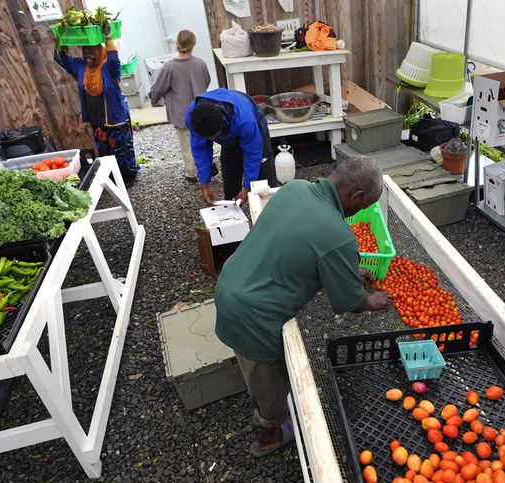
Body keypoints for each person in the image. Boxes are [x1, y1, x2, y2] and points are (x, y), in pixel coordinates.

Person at [214, 157, 393, 456]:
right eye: (361, 208)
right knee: (270, 380)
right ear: (357, 197)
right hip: (253, 316)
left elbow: (297, 245)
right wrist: (372, 301)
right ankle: (268, 435)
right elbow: (350, 302)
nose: (357, 213)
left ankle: (257, 393)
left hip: (231, 283)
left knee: (251, 364)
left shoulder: (294, 189)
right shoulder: (339, 236)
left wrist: (346, 269)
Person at [54, 23, 139, 185]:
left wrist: (108, 37)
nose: (88, 55)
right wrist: (60, 38)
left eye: (91, 51)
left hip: (116, 118)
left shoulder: (109, 67)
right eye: (85, 51)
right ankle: (112, 178)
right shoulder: (80, 67)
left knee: (122, 149)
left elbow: (114, 57)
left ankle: (128, 177)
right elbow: (60, 58)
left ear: (100, 51)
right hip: (97, 120)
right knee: (105, 150)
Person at [185, 88, 276, 206]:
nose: (212, 141)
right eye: (209, 138)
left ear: (221, 124)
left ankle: (270, 210)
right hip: (228, 135)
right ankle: (232, 216)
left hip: (251, 121)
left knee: (263, 183)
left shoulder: (245, 121)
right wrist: (204, 184)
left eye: (214, 137)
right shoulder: (193, 118)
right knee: (230, 178)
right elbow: (200, 150)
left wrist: (248, 187)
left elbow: (252, 153)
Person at [148, 30, 211, 183]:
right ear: (193, 44)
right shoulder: (200, 63)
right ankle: (206, 169)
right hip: (200, 111)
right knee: (203, 141)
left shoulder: (169, 67)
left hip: (181, 113)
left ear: (177, 44)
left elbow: (159, 88)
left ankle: (191, 173)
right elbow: (207, 81)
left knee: (186, 144)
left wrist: (153, 98)